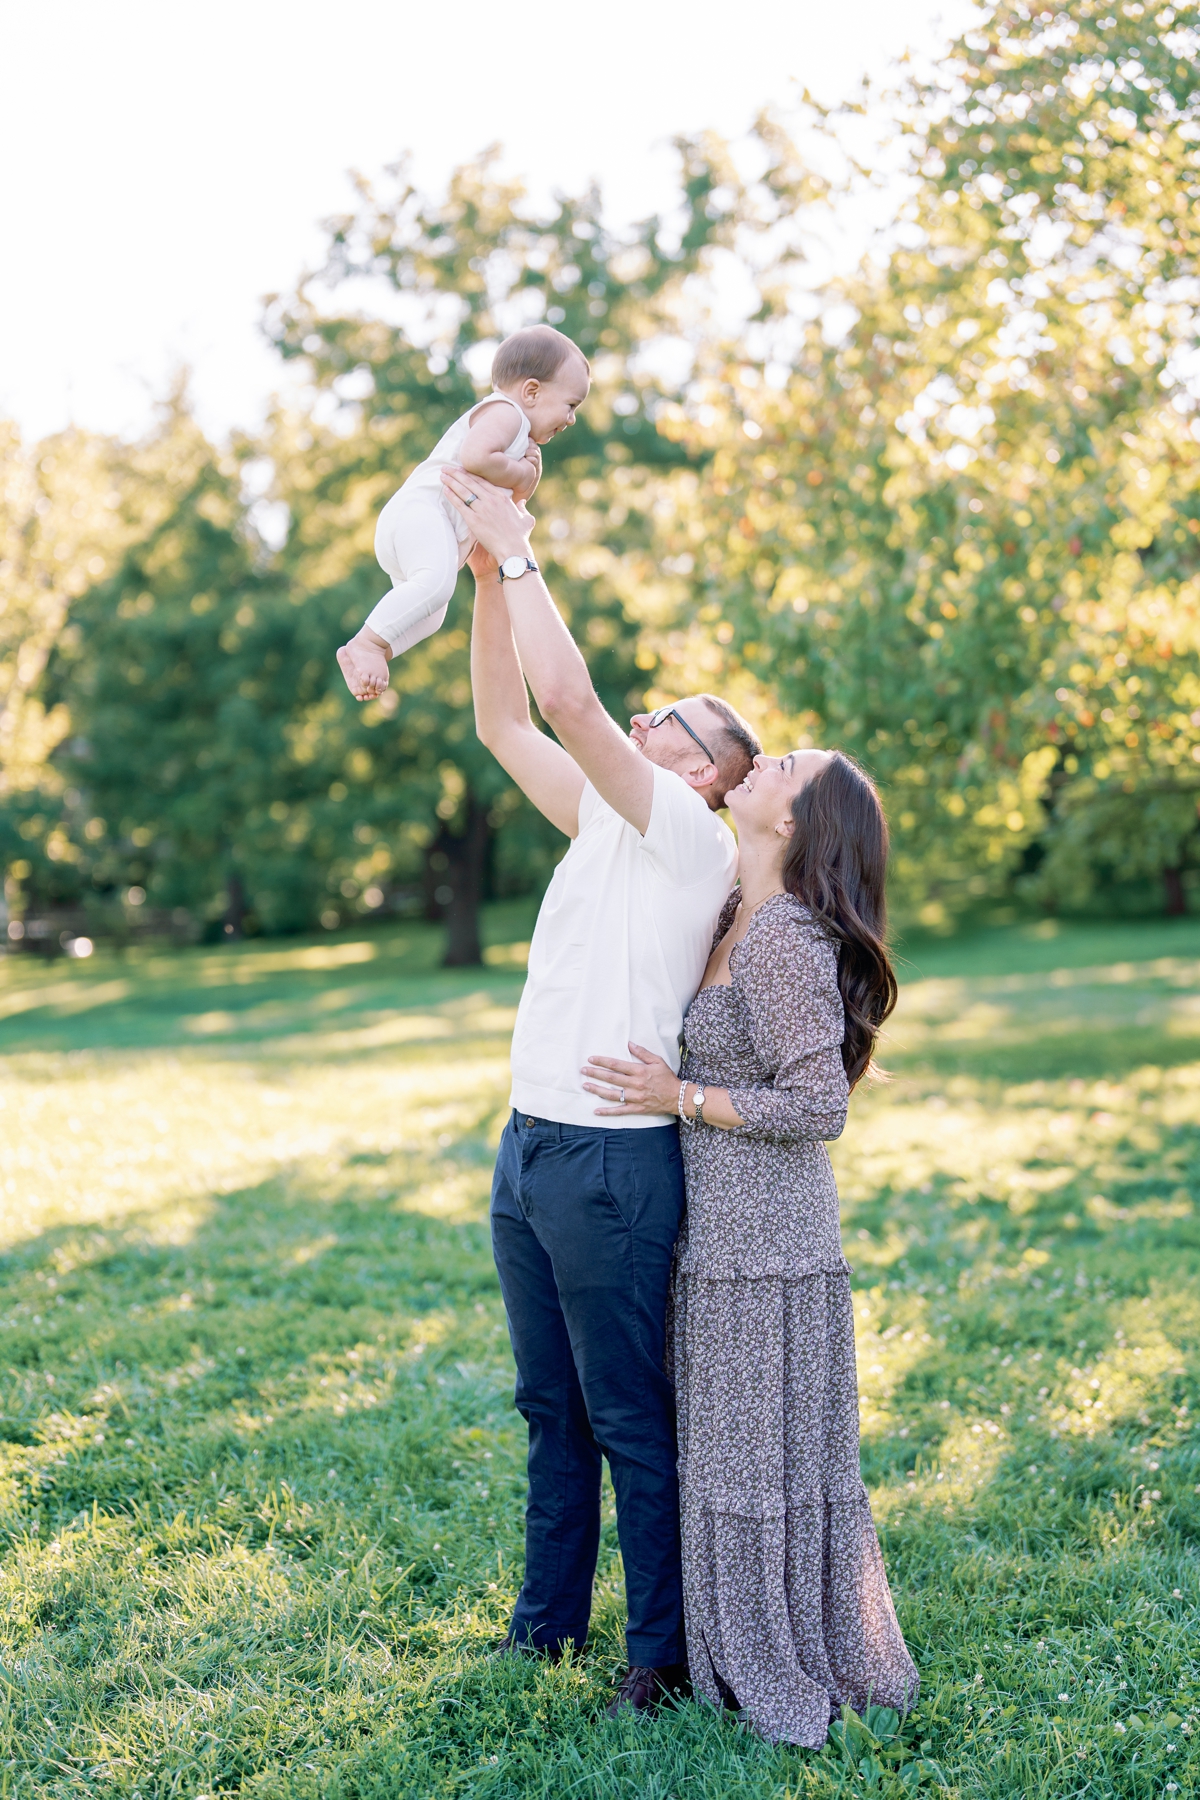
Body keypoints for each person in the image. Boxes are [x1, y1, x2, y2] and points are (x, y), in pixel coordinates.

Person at [444, 467, 760, 1714]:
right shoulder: (601, 824)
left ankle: (661, 1657)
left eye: (680, 722)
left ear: (713, 776)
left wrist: (519, 553)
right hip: (528, 1152)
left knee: (630, 1418)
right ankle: (545, 1627)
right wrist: (479, 585)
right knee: (548, 1408)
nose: (651, 720)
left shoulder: (691, 837)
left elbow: (565, 697)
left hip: (616, 1167)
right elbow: (506, 723)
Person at [581, 748, 919, 1746]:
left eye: (789, 766)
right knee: (732, 1457)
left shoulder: (780, 937)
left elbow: (820, 1104)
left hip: (769, 1248)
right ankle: (729, 1641)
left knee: (756, 1464)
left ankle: (771, 1651)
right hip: (721, 1239)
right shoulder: (736, 908)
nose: (768, 757)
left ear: (797, 822)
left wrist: (675, 1096)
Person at [337, 326, 590, 702]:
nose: (571, 420)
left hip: (416, 532)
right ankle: (367, 644)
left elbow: (509, 504)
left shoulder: (518, 438)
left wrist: (527, 481)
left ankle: (375, 649)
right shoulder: (508, 414)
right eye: (571, 405)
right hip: (420, 515)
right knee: (437, 585)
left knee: (433, 609)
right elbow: (475, 457)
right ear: (532, 391)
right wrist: (523, 471)